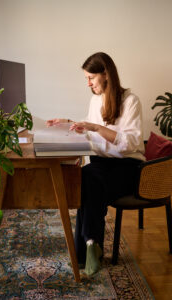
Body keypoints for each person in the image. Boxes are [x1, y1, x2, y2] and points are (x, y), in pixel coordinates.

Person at [46, 52, 145, 276]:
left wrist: (96, 128)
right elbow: (91, 136)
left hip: (129, 166)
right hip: (102, 165)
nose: (88, 83)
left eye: (91, 77)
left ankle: (86, 250)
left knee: (89, 183)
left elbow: (130, 144)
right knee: (88, 179)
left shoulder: (131, 101)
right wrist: (69, 124)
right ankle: (92, 245)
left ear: (106, 75)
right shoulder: (95, 100)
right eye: (86, 78)